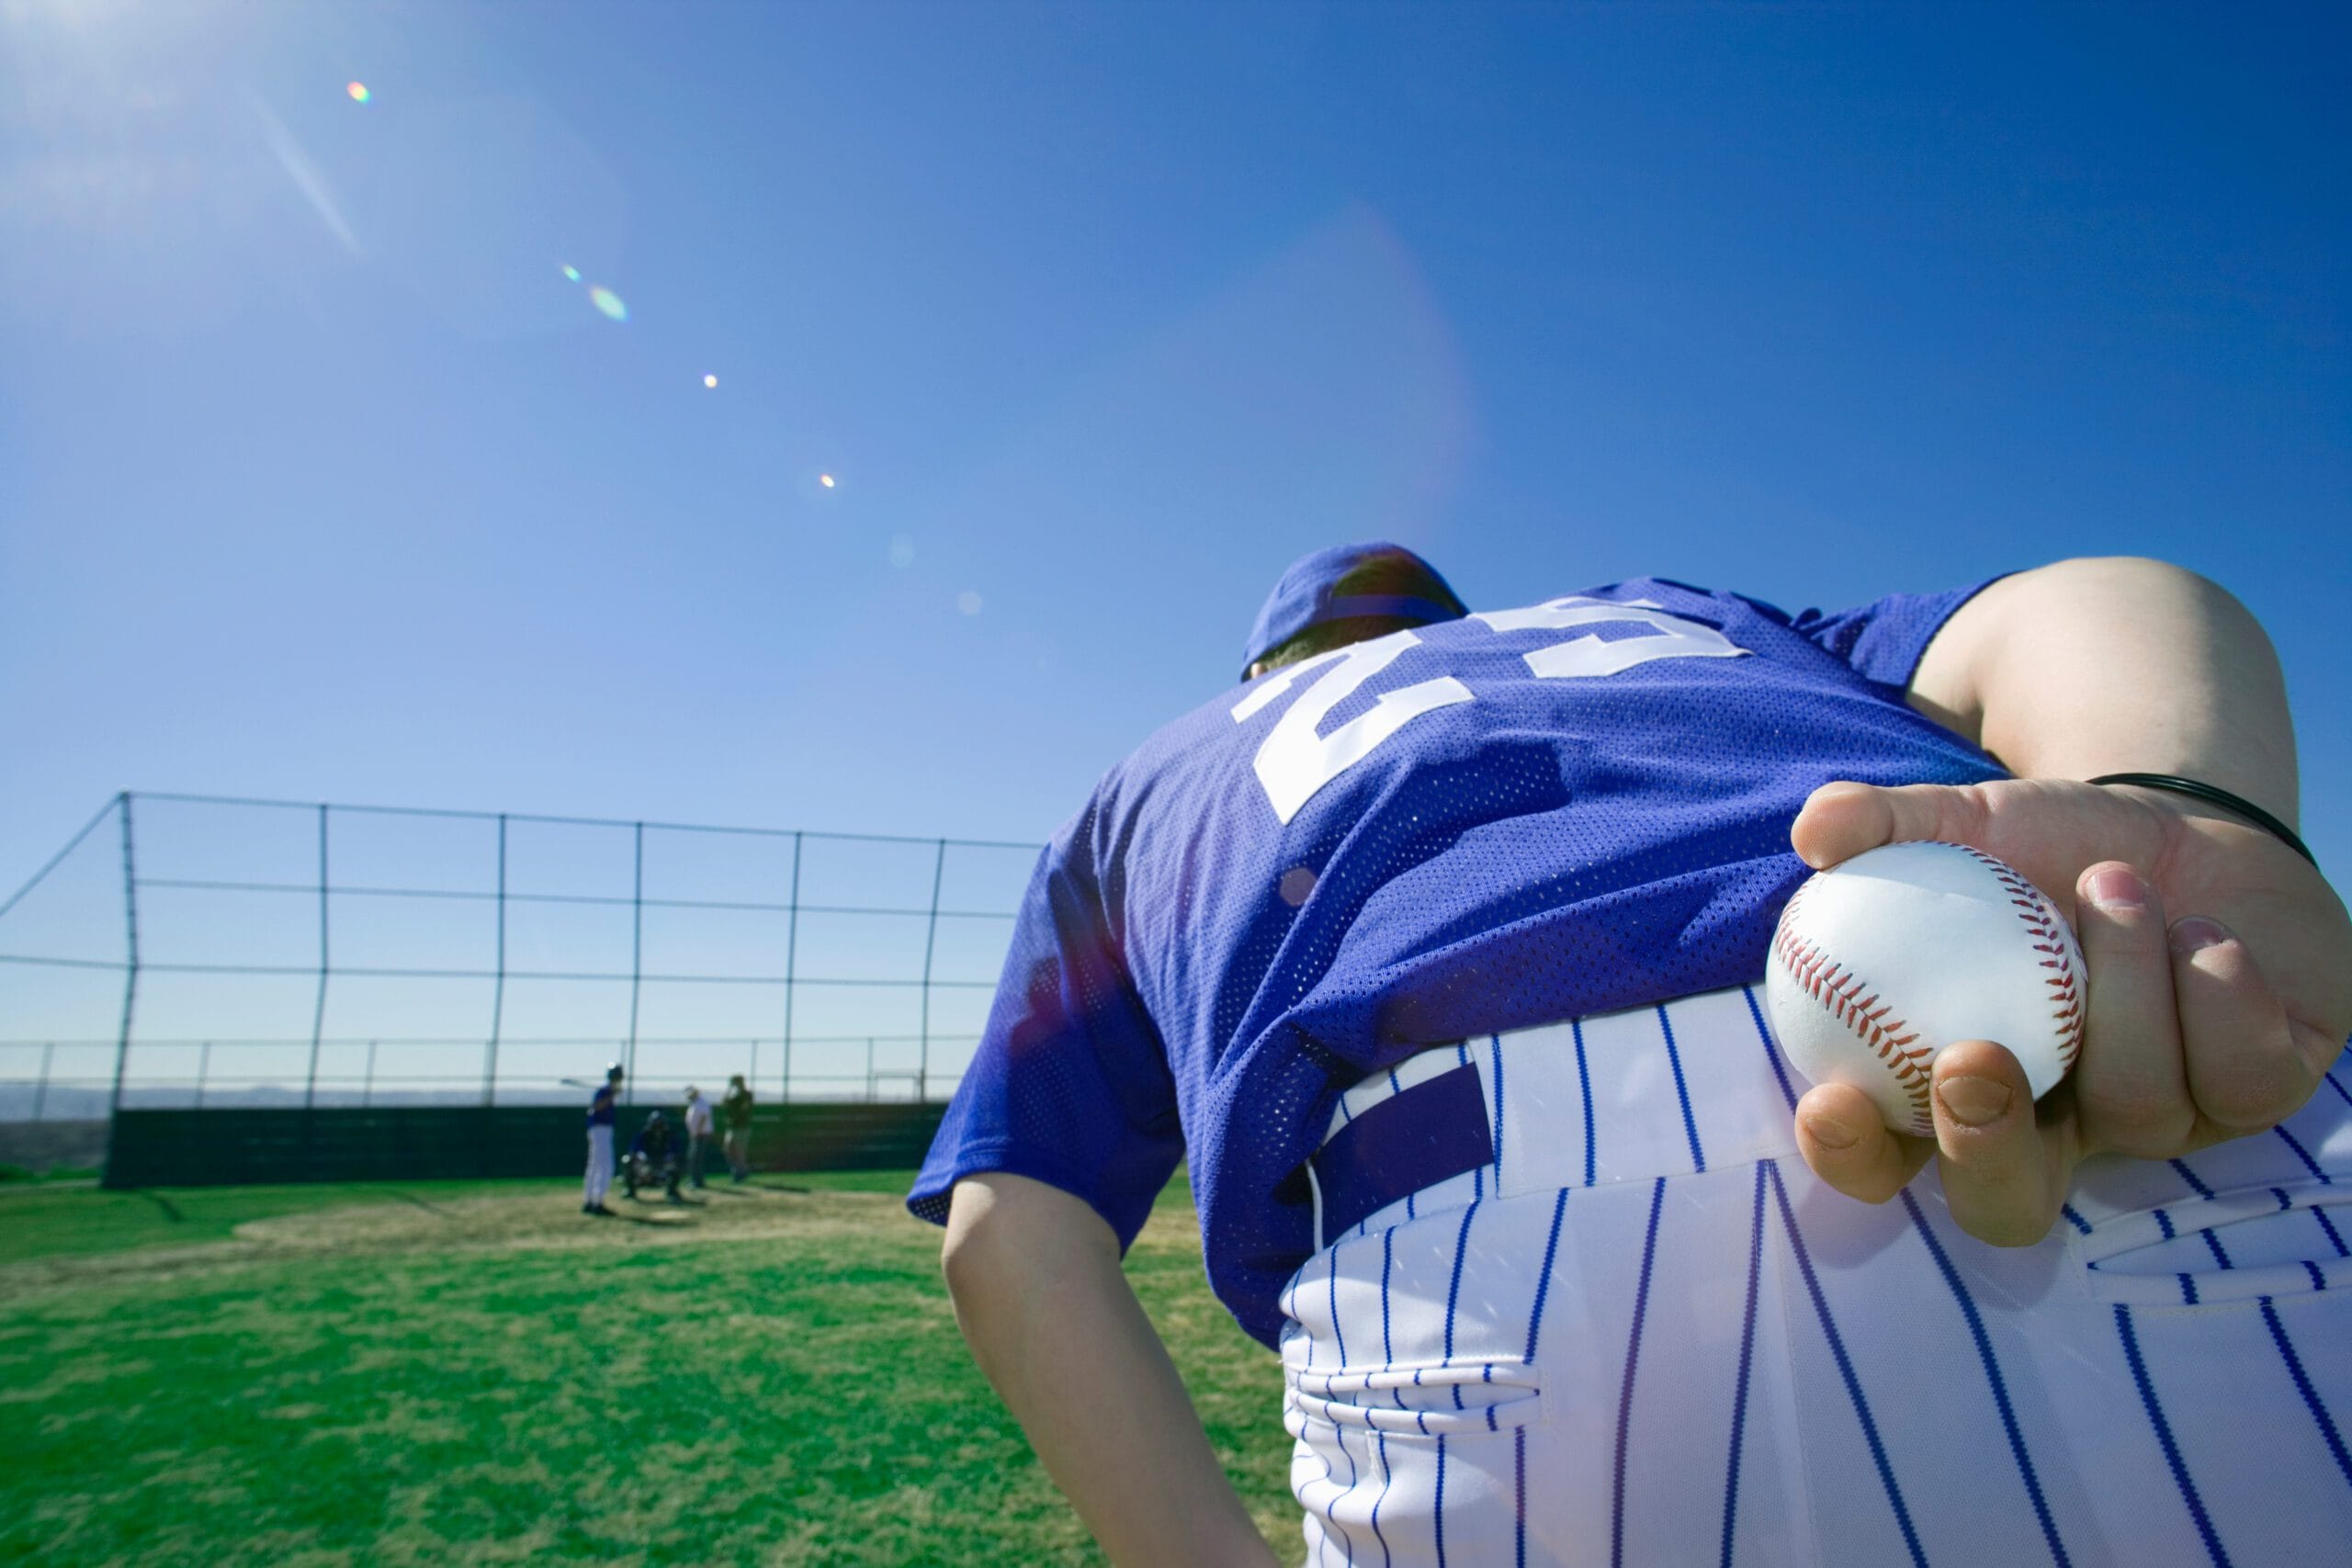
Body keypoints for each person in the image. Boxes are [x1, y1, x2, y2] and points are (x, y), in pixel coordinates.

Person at [910, 544, 2352, 1566]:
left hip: (1489, 1231)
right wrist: (2185, 802)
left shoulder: (1150, 779)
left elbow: (1006, 1228)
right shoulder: (1682, 615)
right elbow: (2111, 592)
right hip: (2105, 1034)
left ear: (1264, 670)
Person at [583, 1062, 623, 1216]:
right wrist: (612, 1094)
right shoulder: (605, 1090)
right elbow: (597, 1106)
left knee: (594, 1166)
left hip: (600, 1129)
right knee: (605, 1166)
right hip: (601, 1129)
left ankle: (590, 1200)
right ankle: (597, 1202)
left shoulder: (606, 1089)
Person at [628, 1109, 683, 1202]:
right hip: (646, 1164)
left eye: (660, 1124)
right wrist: (641, 1156)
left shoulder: (669, 1135)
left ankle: (672, 1191)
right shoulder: (644, 1134)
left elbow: (675, 1150)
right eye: (655, 1124)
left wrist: (669, 1157)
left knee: (678, 1162)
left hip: (663, 1163)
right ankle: (630, 1190)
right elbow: (634, 1149)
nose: (658, 1127)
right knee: (627, 1160)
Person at [721, 1073, 755, 1182]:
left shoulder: (746, 1094)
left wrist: (734, 1114)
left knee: (740, 1151)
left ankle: (740, 1173)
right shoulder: (733, 1095)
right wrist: (729, 1089)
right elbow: (724, 1102)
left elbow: (743, 1109)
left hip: (741, 1126)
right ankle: (739, 1170)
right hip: (732, 1126)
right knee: (729, 1149)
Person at [683, 1085, 714, 1190]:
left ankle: (698, 1182)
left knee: (696, 1159)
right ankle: (694, 1179)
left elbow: (704, 1117)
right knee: (693, 1158)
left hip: (701, 1135)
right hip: (697, 1134)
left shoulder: (701, 1103)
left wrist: (697, 1131)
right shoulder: (695, 1103)